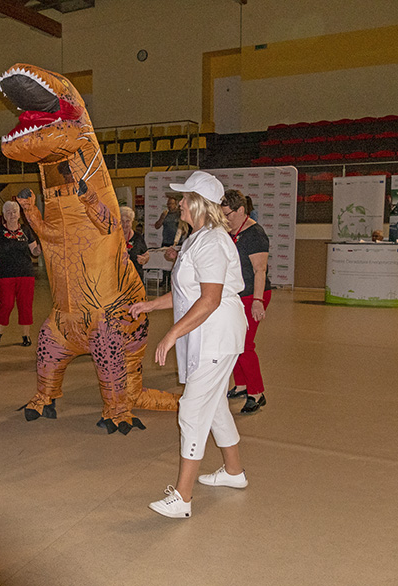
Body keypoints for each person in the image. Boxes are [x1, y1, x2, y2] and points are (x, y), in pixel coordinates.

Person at [129, 171, 247, 519]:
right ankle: (234, 472)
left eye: (183, 199)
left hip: (216, 334)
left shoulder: (211, 242)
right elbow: (187, 293)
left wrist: (172, 333)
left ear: (197, 203)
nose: (178, 203)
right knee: (214, 407)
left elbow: (209, 300)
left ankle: (182, 497)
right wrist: (149, 305)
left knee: (192, 410)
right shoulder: (198, 239)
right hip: (207, 333)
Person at [221, 190, 272, 413]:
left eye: (228, 214)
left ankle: (256, 392)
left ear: (241, 210)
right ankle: (241, 385)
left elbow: (260, 270)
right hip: (236, 294)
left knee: (245, 345)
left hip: (254, 294)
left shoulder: (255, 234)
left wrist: (258, 301)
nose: (225, 219)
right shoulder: (231, 231)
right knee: (235, 342)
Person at [0, 200, 41, 346]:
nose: (12, 215)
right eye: (8, 212)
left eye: (14, 212)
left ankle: (26, 336)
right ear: (4, 215)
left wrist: (40, 248)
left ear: (19, 214)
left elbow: (34, 251)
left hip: (26, 273)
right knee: (6, 304)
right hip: (5, 274)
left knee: (25, 305)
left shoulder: (26, 230)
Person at [120, 206, 149, 282]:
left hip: (136, 279)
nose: (125, 224)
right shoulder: (113, 238)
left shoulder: (138, 237)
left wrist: (144, 259)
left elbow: (146, 254)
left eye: (128, 221)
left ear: (132, 222)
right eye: (122, 221)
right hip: (117, 279)